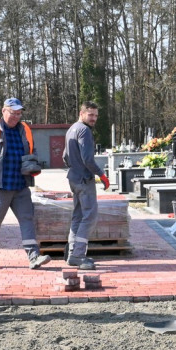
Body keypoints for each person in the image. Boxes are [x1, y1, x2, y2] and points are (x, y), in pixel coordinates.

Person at [0, 97, 51, 269]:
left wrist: (33, 164)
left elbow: (32, 150)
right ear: (3, 111)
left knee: (27, 219)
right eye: (13, 113)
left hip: (20, 185)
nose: (16, 117)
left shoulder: (24, 130)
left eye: (19, 113)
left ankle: (33, 256)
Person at [63, 101, 109, 270]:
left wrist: (75, 168)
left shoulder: (72, 129)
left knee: (78, 216)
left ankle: (72, 255)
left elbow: (65, 156)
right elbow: (88, 159)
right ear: (81, 113)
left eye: (96, 115)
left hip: (74, 178)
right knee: (89, 216)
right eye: (90, 115)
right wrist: (101, 174)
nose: (94, 118)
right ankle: (78, 255)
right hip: (84, 179)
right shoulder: (84, 131)